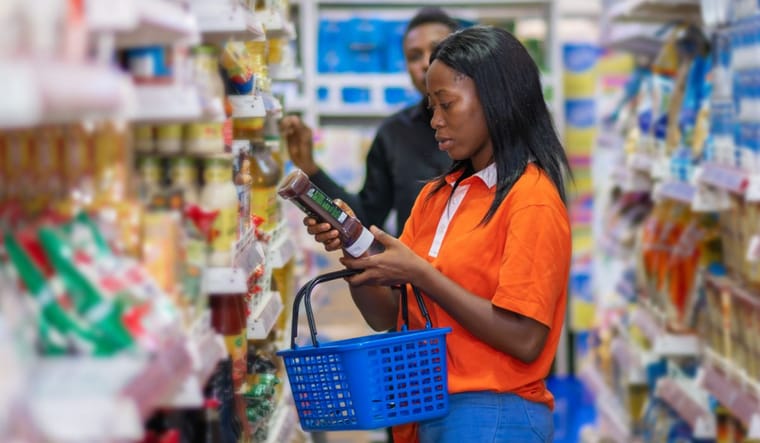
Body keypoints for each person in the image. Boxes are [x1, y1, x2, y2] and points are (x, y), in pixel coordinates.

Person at [303, 26, 572, 443]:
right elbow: (386, 316)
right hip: (424, 408)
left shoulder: (530, 198)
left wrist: (422, 274)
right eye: (431, 106)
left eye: (447, 104)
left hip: (494, 414)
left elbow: (525, 339)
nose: (435, 121)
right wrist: (356, 253)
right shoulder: (435, 196)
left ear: (496, 102)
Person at [281, 7, 459, 235]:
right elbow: (366, 217)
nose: (426, 63)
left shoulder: (488, 127)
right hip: (414, 268)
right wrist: (310, 169)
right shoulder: (393, 134)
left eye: (436, 50)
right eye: (414, 56)